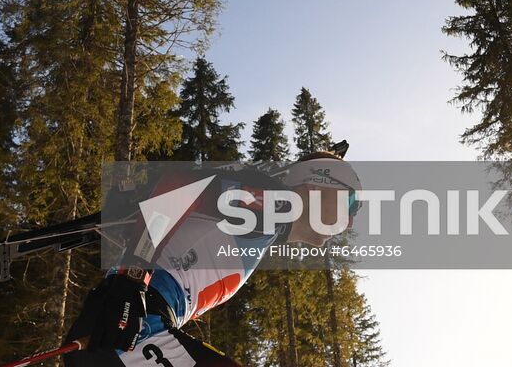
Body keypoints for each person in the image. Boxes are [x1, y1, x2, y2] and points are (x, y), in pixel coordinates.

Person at [65, 146, 361, 367]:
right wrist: (132, 279)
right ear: (317, 185)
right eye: (350, 200)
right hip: (131, 328)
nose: (349, 219)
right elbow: (179, 187)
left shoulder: (269, 222)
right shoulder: (277, 206)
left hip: (118, 330)